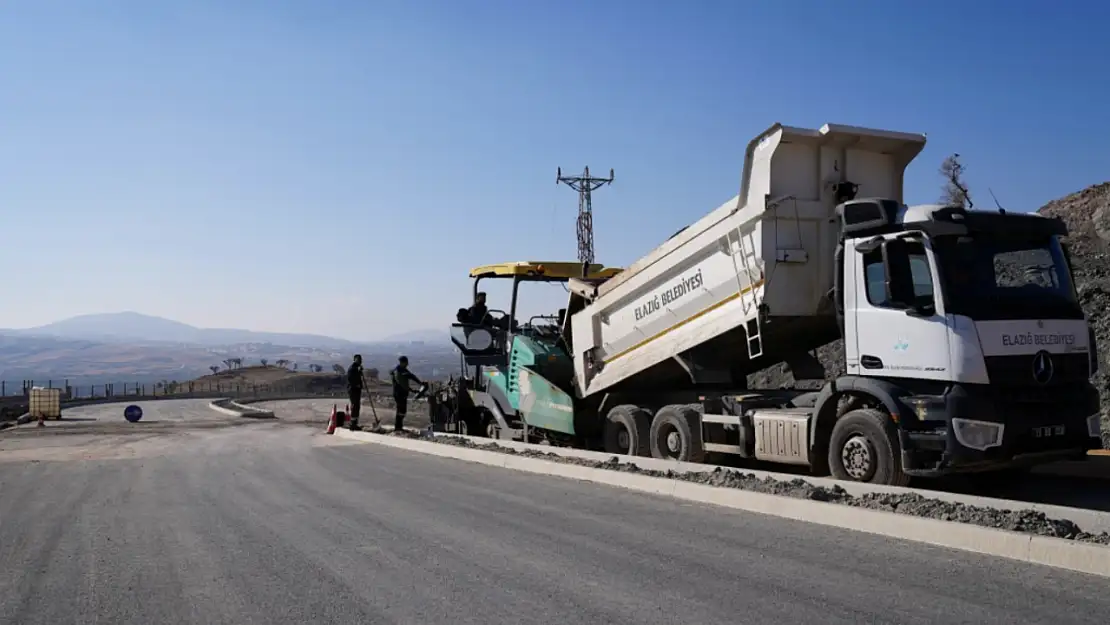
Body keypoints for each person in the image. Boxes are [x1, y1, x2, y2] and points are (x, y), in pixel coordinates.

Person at [390, 355, 423, 432]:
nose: (407, 364)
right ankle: (398, 427)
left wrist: (413, 390)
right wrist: (419, 383)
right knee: (401, 410)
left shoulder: (401, 370)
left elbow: (405, 382)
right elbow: (410, 377)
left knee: (401, 410)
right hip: (399, 393)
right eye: (406, 362)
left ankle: (399, 427)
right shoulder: (400, 371)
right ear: (402, 362)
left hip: (401, 393)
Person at [346, 354, 364, 431]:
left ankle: (355, 423)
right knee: (355, 406)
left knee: (357, 406)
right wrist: (356, 385)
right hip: (353, 390)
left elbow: (358, 377)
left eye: (360, 360)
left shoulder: (356, 368)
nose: (360, 361)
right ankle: (353, 424)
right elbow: (351, 379)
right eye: (358, 360)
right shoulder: (352, 368)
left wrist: (359, 372)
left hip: (356, 389)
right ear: (355, 360)